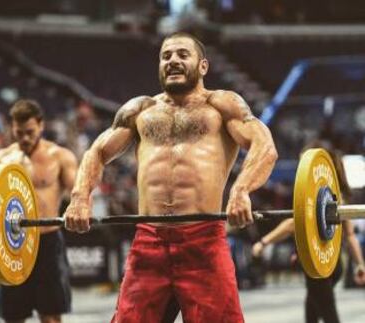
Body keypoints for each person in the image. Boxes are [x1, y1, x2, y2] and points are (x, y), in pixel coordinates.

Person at [64, 32, 278, 322]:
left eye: (182, 54)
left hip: (203, 243)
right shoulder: (141, 110)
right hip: (148, 243)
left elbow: (264, 147)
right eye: (166, 56)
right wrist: (80, 197)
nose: (173, 61)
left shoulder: (222, 105)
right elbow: (97, 152)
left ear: (203, 66)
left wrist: (241, 191)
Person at [0, 99, 78, 323]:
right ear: (12, 128)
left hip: (47, 243)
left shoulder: (59, 157)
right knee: (13, 317)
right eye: (19, 133)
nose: (25, 138)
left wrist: (80, 205)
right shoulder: (2, 159)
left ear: (41, 125)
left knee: (50, 317)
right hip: (11, 248)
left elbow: (78, 190)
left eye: (30, 132)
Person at [252, 140, 365, 323]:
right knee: (312, 311)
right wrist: (360, 264)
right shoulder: (336, 196)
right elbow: (350, 235)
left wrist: (263, 242)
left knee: (329, 315)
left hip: (317, 265)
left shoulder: (315, 197)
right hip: (332, 264)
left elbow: (292, 224)